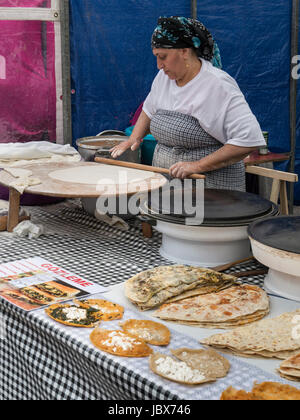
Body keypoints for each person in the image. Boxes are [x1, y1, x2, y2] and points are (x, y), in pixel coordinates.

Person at [110, 16, 266, 191]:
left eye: (163, 57)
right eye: (156, 57)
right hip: (170, 185)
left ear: (184, 51)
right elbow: (149, 109)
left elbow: (248, 140)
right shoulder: (164, 78)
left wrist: (197, 165)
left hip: (213, 192)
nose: (159, 65)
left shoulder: (217, 85)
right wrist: (134, 138)